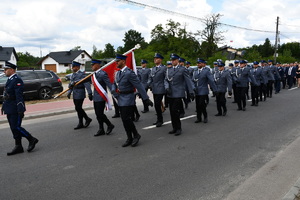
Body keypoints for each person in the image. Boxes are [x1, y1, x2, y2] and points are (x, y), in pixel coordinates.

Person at [112, 54, 153, 147]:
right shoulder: (118, 73)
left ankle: (136, 135)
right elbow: (114, 83)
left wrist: (146, 98)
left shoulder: (129, 73)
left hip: (128, 97)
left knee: (127, 118)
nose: (116, 63)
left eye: (118, 61)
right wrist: (113, 90)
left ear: (123, 61)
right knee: (124, 119)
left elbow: (139, 85)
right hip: (120, 98)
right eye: (116, 61)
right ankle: (129, 137)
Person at [1, 61, 38, 156]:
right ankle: (18, 146)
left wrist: (20, 109)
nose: (4, 71)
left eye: (6, 69)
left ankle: (31, 139)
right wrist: (4, 106)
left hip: (15, 108)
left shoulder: (17, 80)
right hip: (9, 107)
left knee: (16, 127)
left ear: (12, 70)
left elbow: (19, 96)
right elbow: (7, 94)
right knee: (13, 128)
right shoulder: (10, 79)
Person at [165, 53, 194, 135]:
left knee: (175, 111)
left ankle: (179, 128)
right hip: (170, 93)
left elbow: (188, 80)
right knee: (171, 111)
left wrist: (191, 92)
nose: (173, 61)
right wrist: (167, 87)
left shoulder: (182, 69)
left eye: (174, 60)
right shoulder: (169, 70)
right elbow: (166, 80)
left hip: (178, 93)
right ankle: (174, 127)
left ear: (178, 60)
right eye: (172, 60)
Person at [90, 59, 115, 137]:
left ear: (97, 65)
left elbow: (109, 84)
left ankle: (109, 124)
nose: (92, 66)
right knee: (97, 114)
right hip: (95, 97)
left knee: (100, 114)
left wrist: (114, 93)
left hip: (101, 96)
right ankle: (101, 129)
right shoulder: (93, 74)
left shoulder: (103, 74)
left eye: (93, 65)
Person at [67, 61, 93, 130]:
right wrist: (69, 92)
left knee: (78, 108)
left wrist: (90, 93)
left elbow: (87, 84)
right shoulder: (72, 75)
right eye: (72, 67)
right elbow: (71, 85)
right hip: (75, 93)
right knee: (77, 108)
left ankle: (87, 119)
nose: (72, 68)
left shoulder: (82, 74)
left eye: (73, 67)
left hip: (80, 92)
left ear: (77, 67)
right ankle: (81, 123)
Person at [193, 58, 216, 123]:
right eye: (197, 63)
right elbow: (192, 80)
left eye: (199, 63)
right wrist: (192, 88)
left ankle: (205, 116)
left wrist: (215, 89)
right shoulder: (195, 71)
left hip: (203, 90)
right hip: (196, 90)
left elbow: (211, 80)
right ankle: (199, 118)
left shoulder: (206, 71)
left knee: (201, 104)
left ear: (203, 64)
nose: (198, 64)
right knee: (197, 105)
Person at [147, 53, 167, 127]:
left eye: (157, 58)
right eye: (154, 58)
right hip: (154, 89)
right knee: (156, 105)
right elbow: (150, 78)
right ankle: (159, 119)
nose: (155, 59)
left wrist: (166, 87)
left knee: (157, 104)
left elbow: (166, 78)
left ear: (161, 60)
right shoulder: (153, 68)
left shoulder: (164, 68)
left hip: (161, 88)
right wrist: (147, 84)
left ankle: (160, 120)